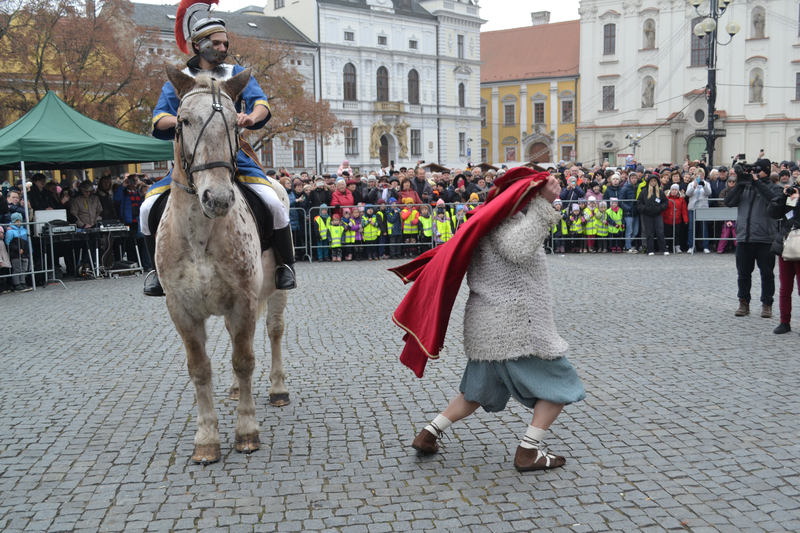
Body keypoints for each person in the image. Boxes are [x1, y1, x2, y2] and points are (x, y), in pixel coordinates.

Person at [400, 169, 585, 471]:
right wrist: (544, 206)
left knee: (475, 392)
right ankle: (529, 451)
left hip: (488, 327)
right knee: (562, 385)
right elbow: (518, 248)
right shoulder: (500, 222)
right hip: (515, 329)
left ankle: (429, 433)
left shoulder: (486, 219)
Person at [141, 0, 295, 295]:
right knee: (148, 206)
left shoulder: (235, 74)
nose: (224, 48)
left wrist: (250, 116)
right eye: (217, 43)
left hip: (233, 159)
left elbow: (261, 103)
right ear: (199, 45)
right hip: (192, 163)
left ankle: (284, 265)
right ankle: (156, 271)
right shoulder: (180, 81)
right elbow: (159, 118)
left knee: (275, 202)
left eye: (226, 43)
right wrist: (189, 120)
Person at [723, 160, 778, 317]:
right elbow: (728, 202)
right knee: (743, 273)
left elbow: (774, 200)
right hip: (744, 238)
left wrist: (757, 183)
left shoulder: (773, 187)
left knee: (767, 274)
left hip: (765, 238)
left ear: (766, 171)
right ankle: (743, 302)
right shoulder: (745, 187)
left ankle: (767, 304)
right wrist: (740, 183)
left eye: (757, 170)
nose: (753, 172)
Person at [767, 184, 800, 333]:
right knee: (785, 288)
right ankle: (784, 321)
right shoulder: (788, 193)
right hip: (786, 244)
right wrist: (783, 195)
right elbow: (773, 212)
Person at [638, 174, 669, 255]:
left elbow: (666, 202)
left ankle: (663, 249)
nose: (653, 182)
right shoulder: (644, 192)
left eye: (654, 181)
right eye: (651, 181)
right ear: (649, 182)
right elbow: (639, 203)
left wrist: (661, 208)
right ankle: (650, 250)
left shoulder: (660, 192)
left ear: (657, 182)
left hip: (657, 214)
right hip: (647, 215)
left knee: (660, 232)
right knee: (649, 233)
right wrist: (644, 209)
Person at [686, 169, 712, 254]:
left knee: (704, 227)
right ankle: (691, 246)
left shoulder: (706, 183)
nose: (700, 177)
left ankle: (705, 246)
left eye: (701, 176)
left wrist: (703, 185)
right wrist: (694, 186)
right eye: (698, 175)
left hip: (703, 208)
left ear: (703, 176)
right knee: (691, 227)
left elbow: (709, 193)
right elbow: (688, 194)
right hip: (692, 207)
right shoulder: (691, 184)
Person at [5, 213, 32, 292]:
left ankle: (23, 283)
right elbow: (8, 243)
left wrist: (31, 252)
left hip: (24, 254)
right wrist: (17, 249)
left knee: (23, 269)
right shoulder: (10, 231)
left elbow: (28, 243)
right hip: (16, 254)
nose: (18, 222)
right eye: (16, 220)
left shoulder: (25, 231)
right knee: (17, 269)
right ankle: (17, 284)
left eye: (19, 220)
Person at [663, 184, 688, 253]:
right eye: (673, 190)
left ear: (678, 191)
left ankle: (677, 246)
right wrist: (662, 219)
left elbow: (684, 210)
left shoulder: (681, 199)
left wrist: (685, 219)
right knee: (667, 234)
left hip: (677, 219)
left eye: (675, 190)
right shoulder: (666, 198)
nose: (674, 191)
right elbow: (663, 210)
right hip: (667, 219)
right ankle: (666, 246)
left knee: (677, 234)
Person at [620, 172, 641, 252]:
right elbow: (621, 201)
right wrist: (628, 208)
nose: (634, 179)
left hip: (636, 212)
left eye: (635, 178)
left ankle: (628, 244)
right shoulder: (625, 188)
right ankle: (628, 246)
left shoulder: (638, 187)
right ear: (629, 179)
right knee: (629, 231)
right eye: (632, 178)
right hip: (628, 212)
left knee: (635, 231)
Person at [717, 176, 738, 253]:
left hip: (736, 214)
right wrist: (729, 207)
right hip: (726, 214)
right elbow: (720, 202)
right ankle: (720, 249)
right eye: (730, 181)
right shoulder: (723, 192)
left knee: (735, 233)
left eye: (733, 181)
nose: (731, 183)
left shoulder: (738, 191)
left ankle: (738, 249)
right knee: (725, 233)